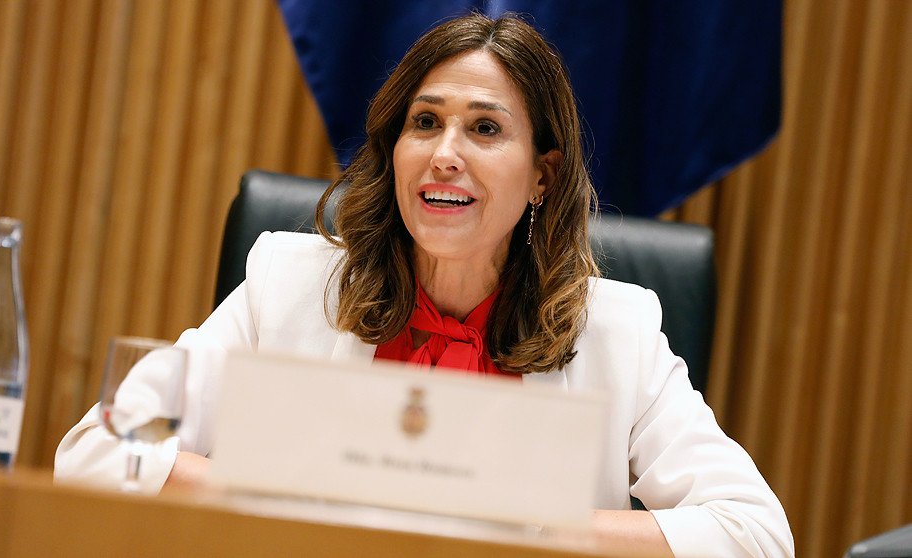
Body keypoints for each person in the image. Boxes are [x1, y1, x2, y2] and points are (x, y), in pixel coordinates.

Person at [55, 13, 794, 557]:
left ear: (544, 173)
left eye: (484, 129)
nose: (445, 153)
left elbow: (755, 533)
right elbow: (95, 452)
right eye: (425, 121)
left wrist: (531, 521)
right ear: (395, 148)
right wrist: (278, 489)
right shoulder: (286, 284)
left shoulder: (618, 334)